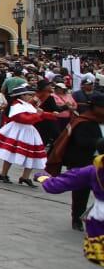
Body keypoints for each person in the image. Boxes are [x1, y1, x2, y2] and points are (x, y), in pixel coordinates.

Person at [37, 136, 104, 264]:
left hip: (100, 217)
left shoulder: (93, 170)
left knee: (98, 254)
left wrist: (44, 178)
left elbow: (59, 184)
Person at [47, 93, 104, 231]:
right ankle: (77, 218)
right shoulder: (84, 121)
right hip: (83, 161)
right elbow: (81, 141)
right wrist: (100, 144)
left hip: (101, 162)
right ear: (95, 107)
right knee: (81, 192)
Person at [0, 77, 50, 185]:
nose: (31, 96)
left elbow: (37, 115)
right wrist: (39, 114)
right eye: (29, 94)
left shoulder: (27, 105)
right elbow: (23, 119)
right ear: (22, 95)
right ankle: (3, 174)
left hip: (29, 131)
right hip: (18, 130)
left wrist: (54, 115)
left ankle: (25, 176)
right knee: (11, 153)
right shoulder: (16, 105)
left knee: (32, 154)